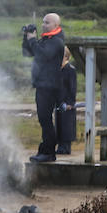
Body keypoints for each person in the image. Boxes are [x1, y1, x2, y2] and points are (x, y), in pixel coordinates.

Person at [22, 12, 65, 163]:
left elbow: (42, 55)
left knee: (45, 119)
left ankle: (48, 152)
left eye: (47, 23)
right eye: (43, 22)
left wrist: (33, 40)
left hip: (49, 86)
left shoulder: (56, 41)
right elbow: (27, 53)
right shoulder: (47, 39)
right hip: (42, 85)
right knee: (44, 119)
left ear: (56, 25)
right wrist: (26, 38)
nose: (43, 25)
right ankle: (45, 150)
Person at [55, 46, 77, 155]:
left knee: (67, 125)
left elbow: (72, 88)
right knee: (59, 124)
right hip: (58, 102)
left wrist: (70, 103)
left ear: (66, 57)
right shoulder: (58, 70)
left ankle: (66, 147)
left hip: (67, 103)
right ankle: (60, 145)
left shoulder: (70, 70)